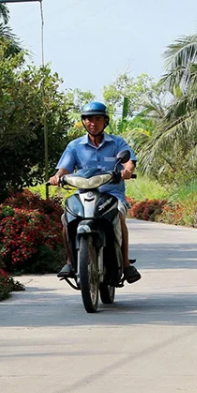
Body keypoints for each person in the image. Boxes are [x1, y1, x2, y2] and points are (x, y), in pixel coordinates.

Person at [48, 101, 142, 283]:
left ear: (105, 121)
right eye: (89, 119)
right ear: (84, 122)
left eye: (98, 119)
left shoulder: (117, 142)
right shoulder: (75, 146)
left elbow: (129, 160)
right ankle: (69, 261)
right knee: (65, 218)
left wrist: (128, 170)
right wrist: (57, 177)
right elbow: (64, 169)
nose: (93, 123)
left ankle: (125, 263)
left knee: (119, 215)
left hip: (111, 194)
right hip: (83, 194)